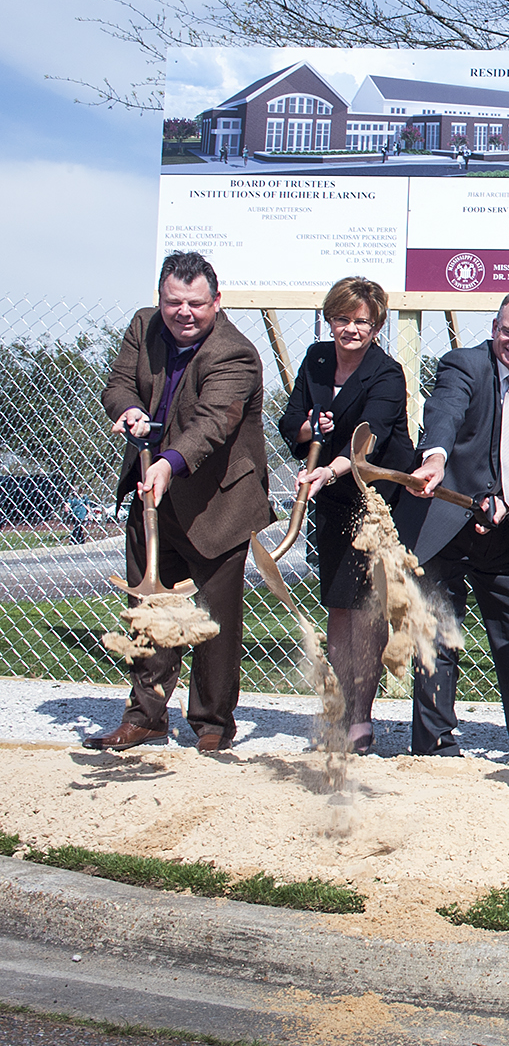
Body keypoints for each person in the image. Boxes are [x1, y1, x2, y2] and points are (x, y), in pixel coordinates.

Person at [87, 252, 274, 752]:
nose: (183, 312)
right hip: (153, 495)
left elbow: (214, 422)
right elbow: (120, 383)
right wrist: (127, 409)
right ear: (160, 299)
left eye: (195, 303)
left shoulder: (236, 353)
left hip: (218, 501)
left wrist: (168, 462)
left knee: (215, 621)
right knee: (149, 604)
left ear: (217, 301)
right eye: (173, 302)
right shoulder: (143, 326)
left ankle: (212, 725)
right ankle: (146, 715)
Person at [396, 289, 509, 762]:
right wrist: (434, 457)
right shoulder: (463, 365)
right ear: (494, 327)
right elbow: (445, 413)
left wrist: (508, 503)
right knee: (437, 631)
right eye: (508, 331)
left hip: (499, 525)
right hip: (442, 517)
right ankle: (434, 739)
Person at [277, 277, 414, 756]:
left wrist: (332, 467)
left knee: (366, 607)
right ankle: (342, 704)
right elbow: (290, 420)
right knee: (339, 603)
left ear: (376, 326)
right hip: (332, 497)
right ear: (329, 318)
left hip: (377, 497)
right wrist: (310, 426)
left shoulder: (386, 373)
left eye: (361, 322)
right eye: (342, 319)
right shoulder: (316, 359)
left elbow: (370, 434)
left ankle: (360, 717)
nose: (350, 329)